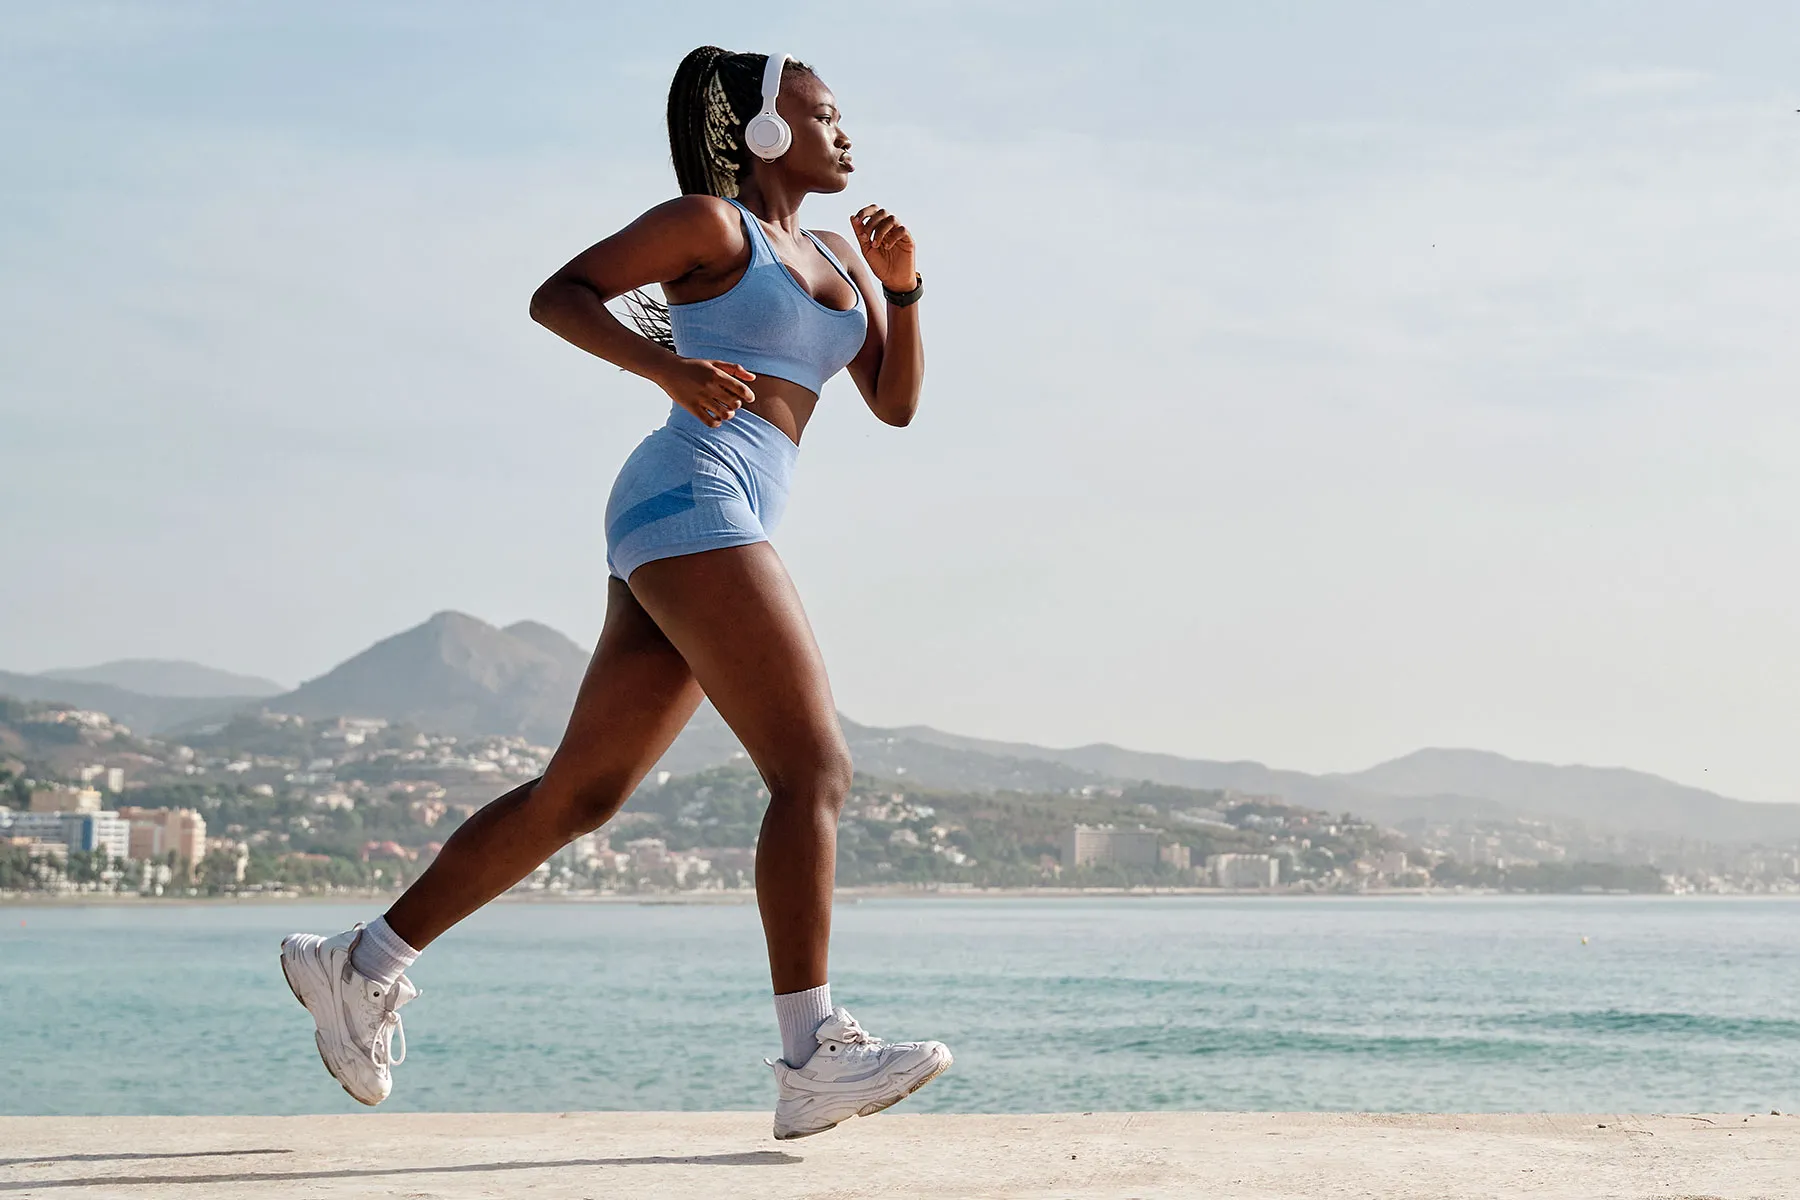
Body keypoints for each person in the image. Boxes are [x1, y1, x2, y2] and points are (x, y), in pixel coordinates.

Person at [277, 46, 950, 1141]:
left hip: (710, 516)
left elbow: (896, 402)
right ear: (765, 130)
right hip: (691, 490)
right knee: (813, 767)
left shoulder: (837, 253)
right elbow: (560, 295)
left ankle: (360, 962)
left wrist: (906, 286)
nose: (844, 133)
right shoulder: (709, 225)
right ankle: (812, 1051)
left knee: (581, 795)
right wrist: (670, 371)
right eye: (823, 115)